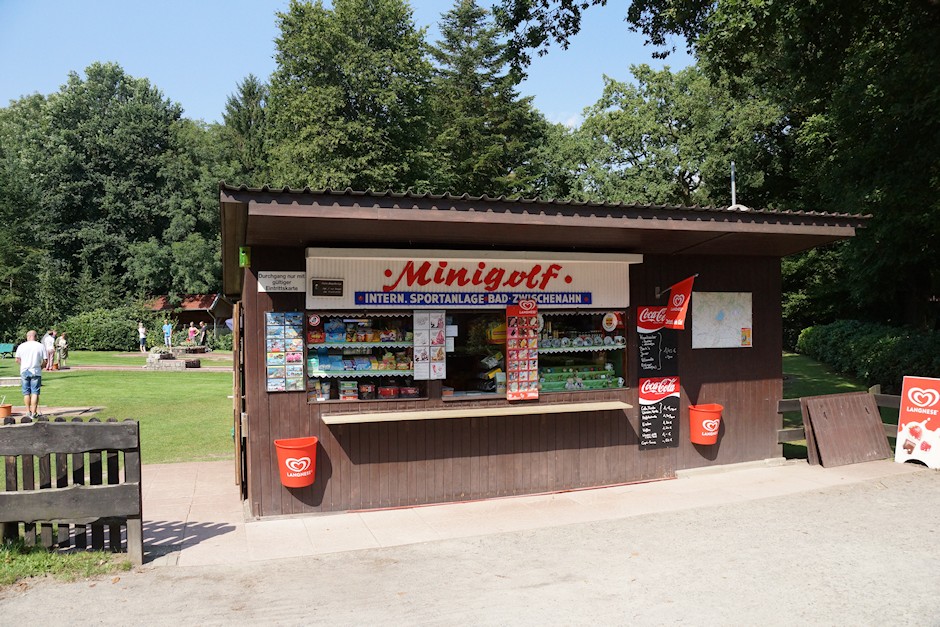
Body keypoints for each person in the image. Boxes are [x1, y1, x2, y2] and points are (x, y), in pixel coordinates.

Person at [15, 330, 47, 419]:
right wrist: (40, 367)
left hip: (24, 370)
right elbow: (45, 360)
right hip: (36, 371)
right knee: (35, 392)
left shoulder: (21, 346)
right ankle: (34, 412)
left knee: (26, 392)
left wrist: (24, 365)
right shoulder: (40, 346)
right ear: (35, 336)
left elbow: (17, 359)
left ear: (27, 336)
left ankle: (28, 411)